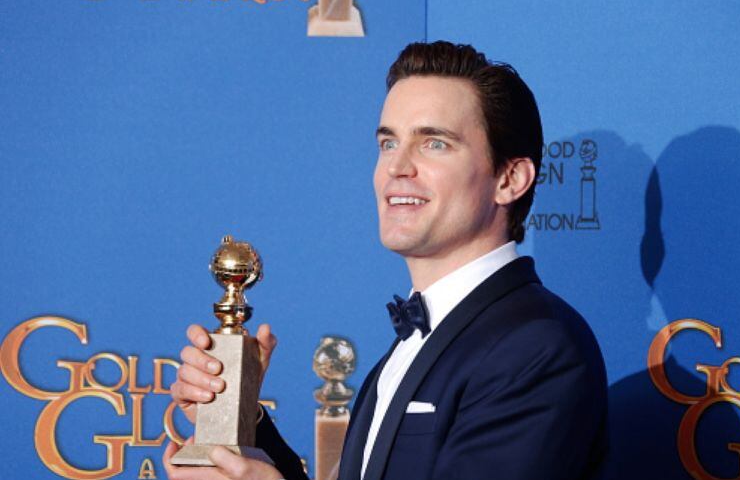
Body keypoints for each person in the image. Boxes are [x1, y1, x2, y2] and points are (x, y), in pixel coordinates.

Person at [163, 40, 607, 480]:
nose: (397, 167)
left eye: (434, 143)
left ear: (509, 179)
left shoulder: (537, 348)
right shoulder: (416, 339)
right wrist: (240, 416)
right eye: (389, 143)